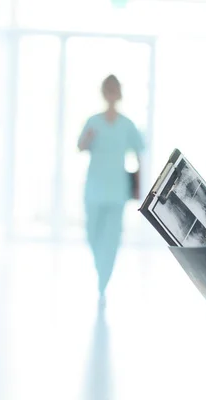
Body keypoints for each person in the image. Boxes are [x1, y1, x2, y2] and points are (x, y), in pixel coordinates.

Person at [77, 75, 145, 304]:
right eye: (108, 89)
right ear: (103, 92)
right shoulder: (93, 121)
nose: (111, 93)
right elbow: (80, 147)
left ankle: (104, 279)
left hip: (117, 188)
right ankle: (100, 268)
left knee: (113, 236)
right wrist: (87, 139)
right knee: (92, 233)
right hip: (95, 186)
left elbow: (139, 152)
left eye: (115, 89)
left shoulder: (127, 124)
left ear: (119, 93)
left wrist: (140, 185)